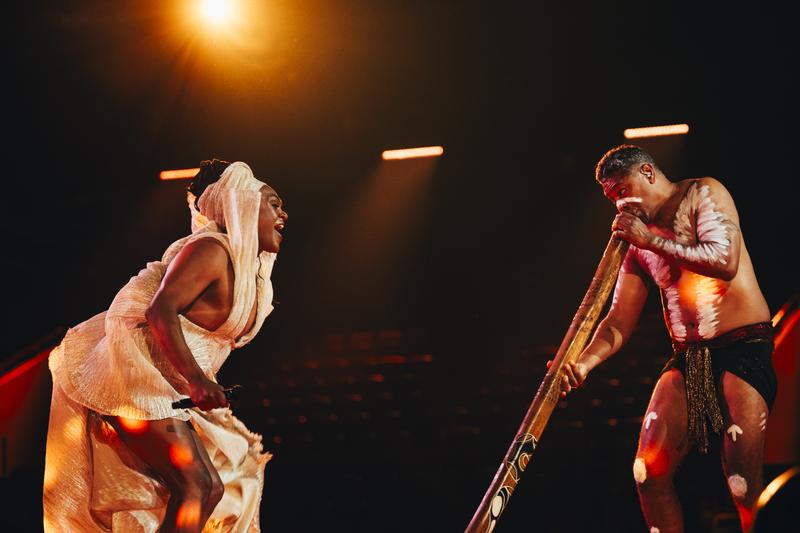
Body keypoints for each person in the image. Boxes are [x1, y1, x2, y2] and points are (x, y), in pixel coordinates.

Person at [43, 159, 288, 532]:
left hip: (166, 388)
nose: (283, 214)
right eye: (273, 203)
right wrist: (196, 380)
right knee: (199, 486)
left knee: (218, 486)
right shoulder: (211, 249)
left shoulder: (243, 269)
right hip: (132, 377)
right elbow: (160, 311)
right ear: (240, 204)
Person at [555, 145, 776, 533]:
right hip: (688, 355)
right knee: (647, 472)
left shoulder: (703, 193)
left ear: (648, 173)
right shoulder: (634, 246)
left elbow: (725, 262)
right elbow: (618, 320)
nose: (619, 205)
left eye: (622, 190)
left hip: (742, 344)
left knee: (742, 484)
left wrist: (650, 241)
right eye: (611, 198)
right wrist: (583, 365)